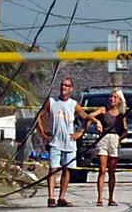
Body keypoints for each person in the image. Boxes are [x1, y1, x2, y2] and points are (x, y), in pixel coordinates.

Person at [36, 77, 100, 208]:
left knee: (67, 170)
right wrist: (43, 133)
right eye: (62, 85)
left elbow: (85, 117)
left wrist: (82, 131)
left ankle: (61, 197)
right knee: (53, 169)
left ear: (71, 88)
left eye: (67, 85)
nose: (64, 87)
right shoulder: (52, 101)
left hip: (69, 142)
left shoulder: (73, 104)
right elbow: (39, 116)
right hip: (55, 141)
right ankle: (51, 197)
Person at [87, 90, 127, 206]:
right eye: (111, 97)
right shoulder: (103, 110)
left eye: (115, 97)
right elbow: (90, 115)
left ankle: (111, 198)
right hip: (103, 139)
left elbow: (125, 130)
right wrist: (97, 122)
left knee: (112, 171)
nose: (112, 99)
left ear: (119, 100)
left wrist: (119, 139)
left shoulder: (121, 114)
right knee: (102, 170)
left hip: (114, 139)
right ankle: (100, 198)